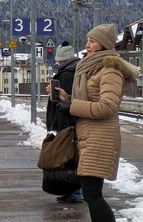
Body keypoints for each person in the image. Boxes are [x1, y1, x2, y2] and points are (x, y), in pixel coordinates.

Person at [55, 24, 138, 222]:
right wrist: (67, 99)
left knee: (92, 194)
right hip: (90, 136)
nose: (87, 45)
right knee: (91, 194)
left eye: (92, 41)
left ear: (104, 44)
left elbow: (108, 106)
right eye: (88, 40)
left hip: (100, 138)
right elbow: (92, 100)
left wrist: (73, 106)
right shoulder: (94, 67)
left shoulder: (110, 70)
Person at [45, 41, 83, 204]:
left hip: (67, 121)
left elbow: (65, 100)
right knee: (71, 157)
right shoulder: (73, 70)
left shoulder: (67, 73)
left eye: (59, 61)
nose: (58, 63)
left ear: (63, 60)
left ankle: (75, 192)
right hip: (70, 120)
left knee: (69, 158)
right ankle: (74, 191)